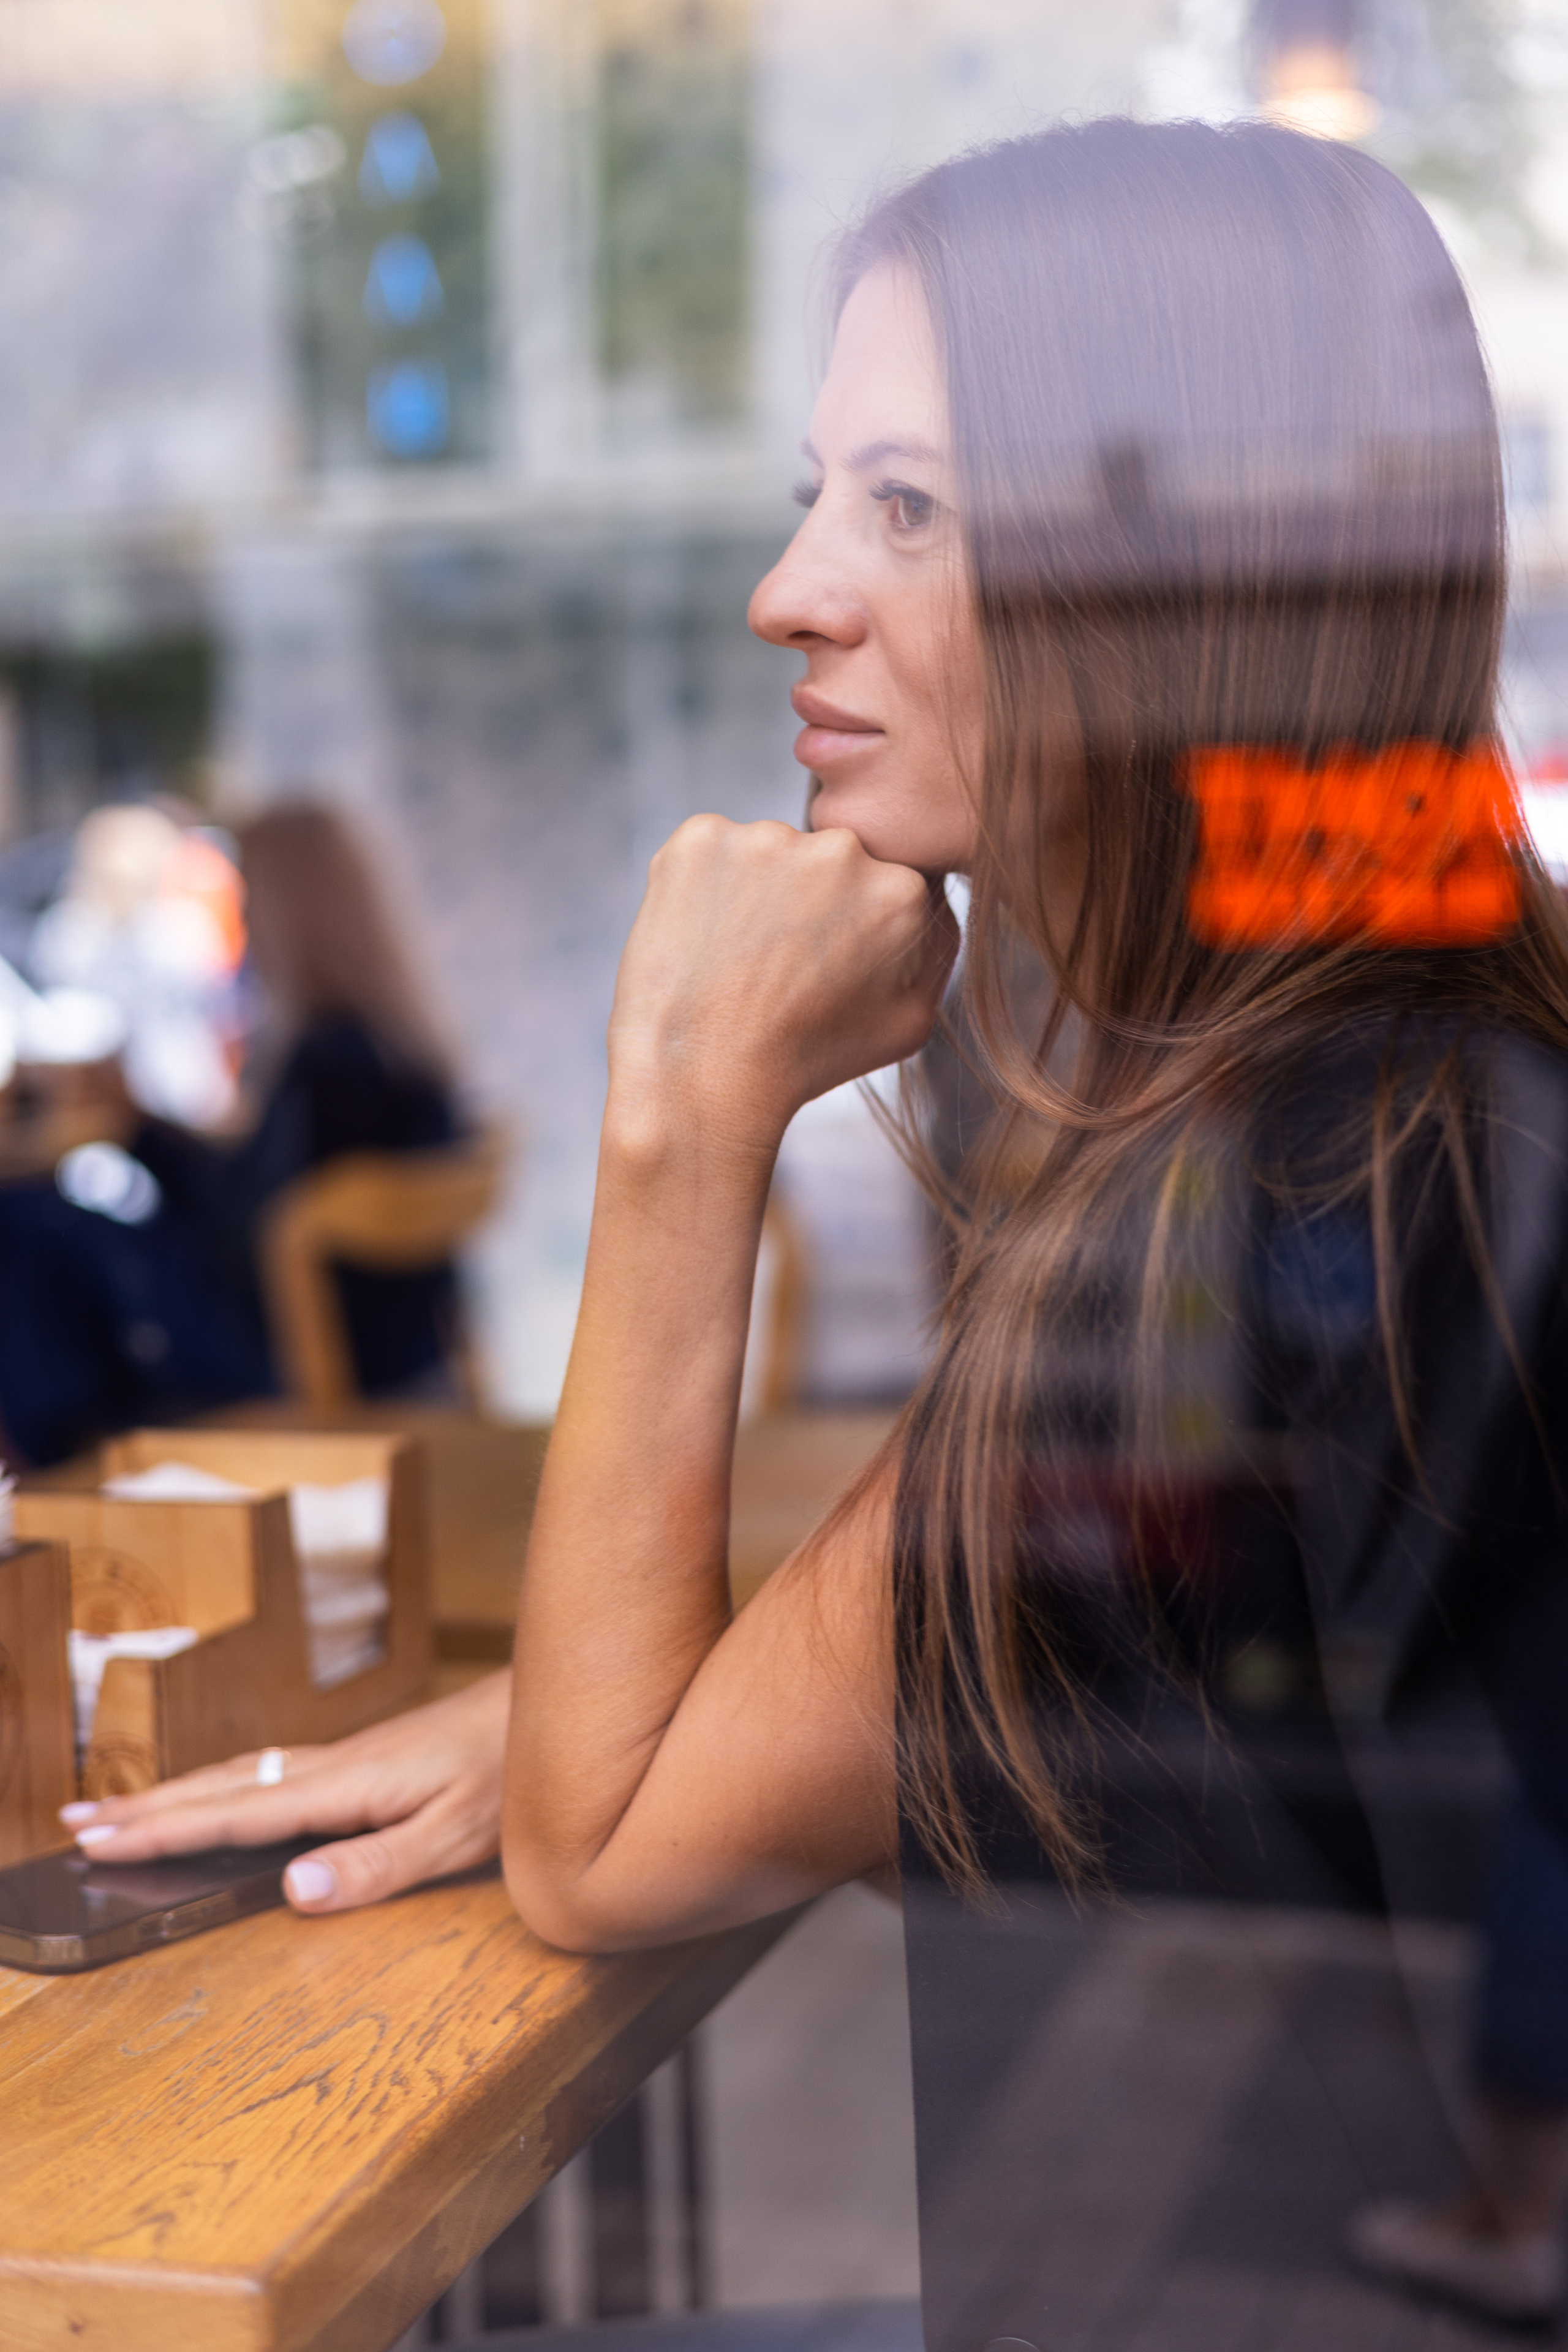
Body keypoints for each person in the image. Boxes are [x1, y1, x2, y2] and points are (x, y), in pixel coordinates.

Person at [64, 123, 1568, 2336]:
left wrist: (684, 1101)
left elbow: (602, 1860)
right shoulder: (1397, 1060)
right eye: (816, 490)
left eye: (904, 506)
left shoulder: (1271, 1182)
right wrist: (650, 1706)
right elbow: (1027, 1653)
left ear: (1153, 576)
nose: (786, 591)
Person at [0, 801, 464, 1461]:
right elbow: (256, 1195)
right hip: (384, 1348)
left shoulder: (333, 1064)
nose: (241, 919)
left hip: (294, 1354)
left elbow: (243, 1229)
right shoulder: (389, 1050)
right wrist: (143, 1123)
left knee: (31, 1226)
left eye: (249, 895)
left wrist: (138, 1131)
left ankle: (66, 1470)